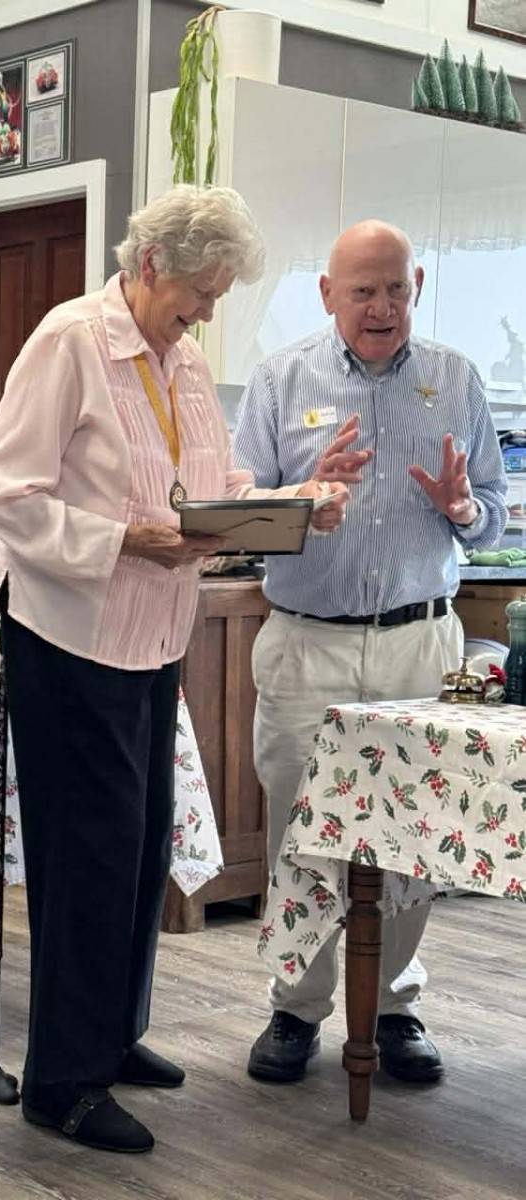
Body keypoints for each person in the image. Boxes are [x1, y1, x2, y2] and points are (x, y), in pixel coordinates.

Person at [0, 185, 350, 1154]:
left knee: (139, 851)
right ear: (148, 265)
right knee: (88, 859)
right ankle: (62, 1082)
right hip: (68, 635)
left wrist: (297, 502)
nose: (207, 313)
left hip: (152, 636)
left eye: (218, 297)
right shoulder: (70, 340)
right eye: (200, 292)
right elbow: (2, 492)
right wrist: (122, 538)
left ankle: (110, 1033)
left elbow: (211, 489)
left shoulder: (181, 361)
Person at [234, 219, 507, 1086]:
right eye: (362, 291)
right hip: (306, 644)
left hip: (420, 643)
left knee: (415, 833)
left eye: (395, 288)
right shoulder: (280, 379)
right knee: (301, 832)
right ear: (327, 294)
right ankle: (295, 1008)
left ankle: (394, 1005)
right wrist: (301, 497)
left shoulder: (455, 378)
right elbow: (240, 514)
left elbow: (494, 511)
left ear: (416, 286)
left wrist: (465, 511)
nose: (381, 307)